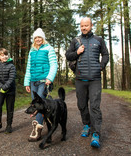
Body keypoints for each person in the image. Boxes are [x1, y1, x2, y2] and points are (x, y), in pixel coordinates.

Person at [65, 17, 109, 148]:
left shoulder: (99, 40)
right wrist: (77, 52)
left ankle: (96, 133)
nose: (84, 27)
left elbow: (106, 55)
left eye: (86, 25)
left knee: (94, 106)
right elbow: (68, 55)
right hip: (80, 79)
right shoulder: (75, 41)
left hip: (95, 79)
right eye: (82, 25)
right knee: (82, 105)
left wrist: (101, 66)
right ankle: (86, 125)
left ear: (91, 26)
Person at [24, 28, 58, 142]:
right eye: (36, 38)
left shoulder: (49, 48)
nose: (38, 39)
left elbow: (54, 64)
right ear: (34, 39)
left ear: (43, 38)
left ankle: (37, 129)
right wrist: (26, 82)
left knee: (39, 104)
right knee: (35, 104)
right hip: (33, 81)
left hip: (44, 81)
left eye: (39, 37)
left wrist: (50, 78)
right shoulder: (32, 50)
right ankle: (43, 122)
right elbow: (29, 67)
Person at [0, 48, 16, 134]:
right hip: (1, 90)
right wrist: (1, 88)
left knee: (9, 108)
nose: (5, 56)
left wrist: (5, 87)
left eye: (6, 55)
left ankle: (9, 125)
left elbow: (11, 78)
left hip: (10, 91)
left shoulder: (11, 66)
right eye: (2, 55)